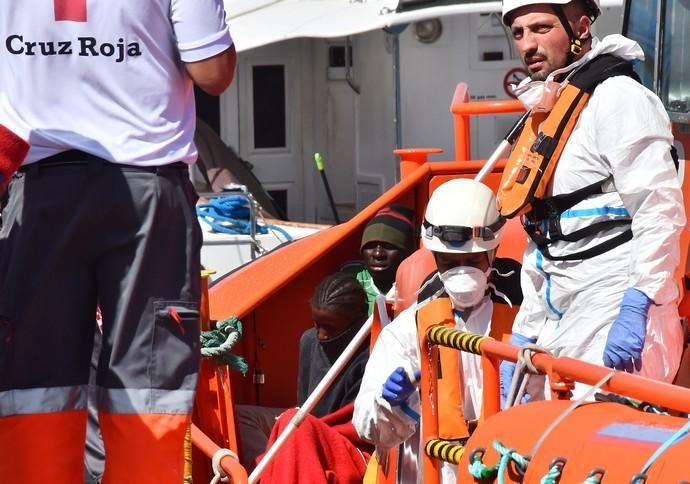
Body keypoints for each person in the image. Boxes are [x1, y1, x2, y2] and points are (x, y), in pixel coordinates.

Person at [0, 2, 236, 483]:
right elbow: (211, 70)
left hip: (37, 187)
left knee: (34, 387)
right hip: (146, 189)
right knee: (148, 387)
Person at [498, 0, 685, 402]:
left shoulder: (618, 99)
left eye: (541, 28)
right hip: (558, 308)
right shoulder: (549, 112)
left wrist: (638, 304)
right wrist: (525, 329)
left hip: (615, 303)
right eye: (518, 33)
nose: (528, 44)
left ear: (581, 26)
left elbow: (659, 210)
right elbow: (545, 237)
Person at [353, 178, 507, 483]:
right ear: (434, 258)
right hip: (436, 472)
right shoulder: (409, 328)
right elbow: (368, 426)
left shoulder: (523, 321)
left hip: (508, 466)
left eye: (472, 261)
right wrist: (393, 403)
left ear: (493, 252)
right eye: (450, 263)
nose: (462, 272)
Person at [236, 272, 371, 474]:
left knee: (294, 425)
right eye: (317, 324)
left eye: (331, 328)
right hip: (306, 419)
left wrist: (301, 426)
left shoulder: (369, 353)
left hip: (339, 435)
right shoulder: (309, 341)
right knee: (243, 415)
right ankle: (263, 471)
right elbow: (303, 402)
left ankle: (273, 468)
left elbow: (355, 427)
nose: (321, 335)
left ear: (358, 320)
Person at [341, 204, 416, 314]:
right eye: (370, 245)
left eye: (389, 246)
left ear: (407, 252)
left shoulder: (420, 285)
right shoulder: (353, 278)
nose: (378, 254)